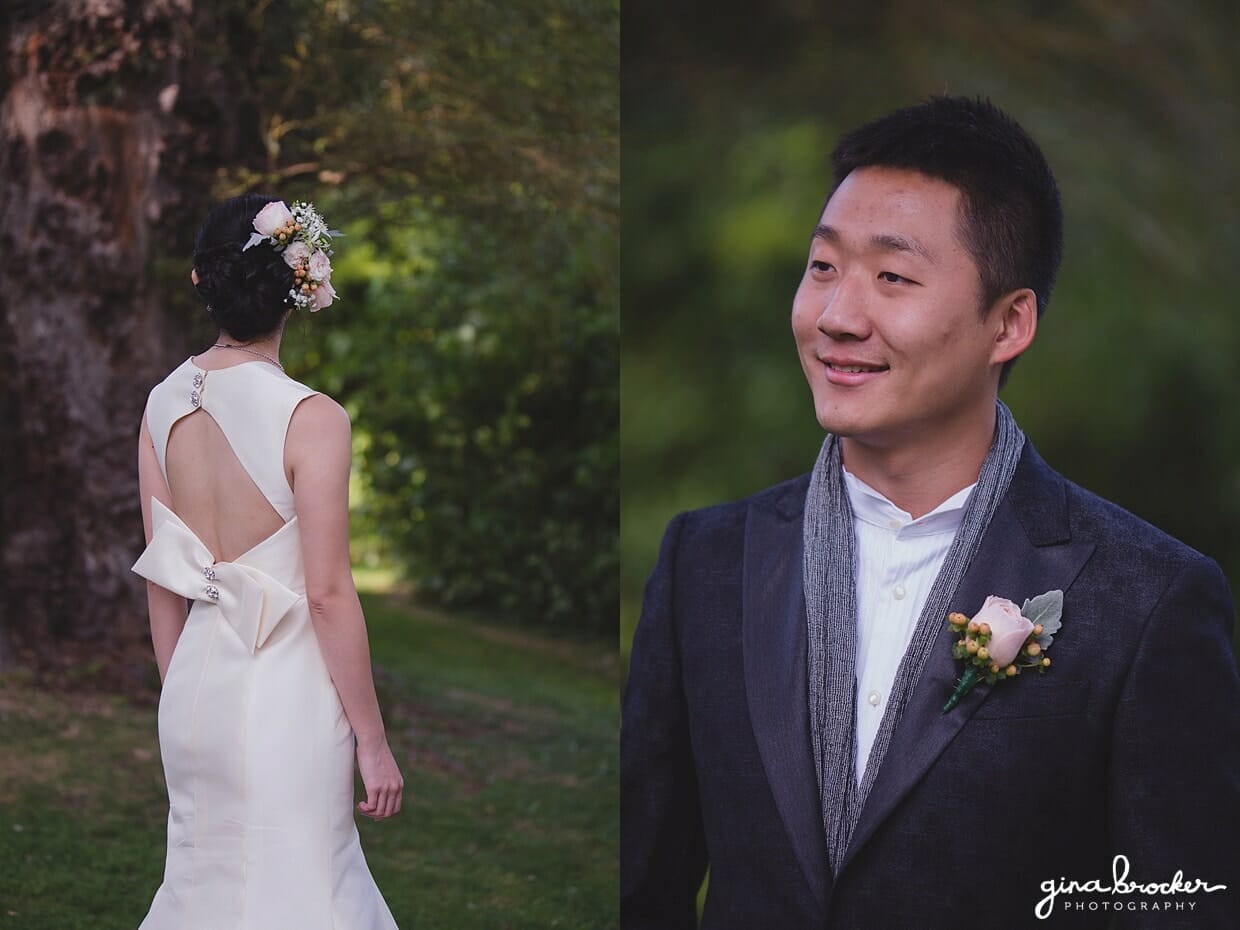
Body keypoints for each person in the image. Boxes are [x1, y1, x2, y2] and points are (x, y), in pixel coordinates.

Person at [621, 97, 1239, 928]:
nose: (837, 316)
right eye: (822, 267)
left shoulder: (1149, 599)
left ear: (1009, 322)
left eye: (893, 278)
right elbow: (644, 890)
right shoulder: (705, 562)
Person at [132, 193, 403, 928]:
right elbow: (327, 594)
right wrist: (373, 744)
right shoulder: (313, 418)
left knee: (206, 888)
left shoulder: (159, 407)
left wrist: (178, 693)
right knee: (307, 887)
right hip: (289, 699)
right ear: (296, 290)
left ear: (203, 283)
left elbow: (165, 575)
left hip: (193, 693)